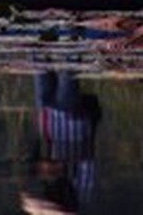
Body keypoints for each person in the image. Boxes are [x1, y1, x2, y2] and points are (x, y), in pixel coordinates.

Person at [23, 70, 100, 213]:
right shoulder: (81, 191)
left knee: (38, 59)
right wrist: (61, 167)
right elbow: (88, 160)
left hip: (48, 119)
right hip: (70, 120)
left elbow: (26, 198)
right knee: (67, 69)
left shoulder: (45, 190)